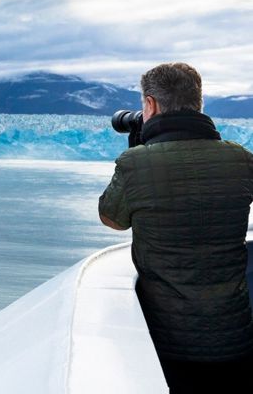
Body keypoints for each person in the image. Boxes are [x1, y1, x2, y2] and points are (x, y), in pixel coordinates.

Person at [98, 62, 253, 393]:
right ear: (199, 103)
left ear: (150, 105)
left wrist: (137, 151)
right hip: (235, 338)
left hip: (167, 344)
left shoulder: (135, 164)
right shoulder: (241, 158)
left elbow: (112, 219)